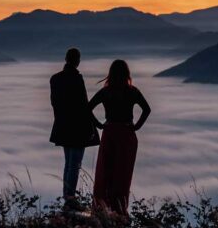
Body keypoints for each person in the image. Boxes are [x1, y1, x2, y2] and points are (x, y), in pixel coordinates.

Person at [89, 59, 151, 215]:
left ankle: (101, 208)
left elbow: (87, 108)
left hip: (109, 133)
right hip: (126, 135)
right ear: (126, 74)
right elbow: (147, 109)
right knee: (122, 174)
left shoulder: (105, 91)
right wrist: (136, 126)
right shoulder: (132, 91)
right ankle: (119, 210)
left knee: (105, 172)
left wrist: (98, 124)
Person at [49, 48, 99, 210]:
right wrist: (94, 125)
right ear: (77, 60)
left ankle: (67, 195)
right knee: (75, 164)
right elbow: (83, 105)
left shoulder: (55, 79)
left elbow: (55, 104)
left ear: (66, 59)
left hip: (62, 125)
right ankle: (70, 197)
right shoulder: (76, 79)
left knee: (68, 163)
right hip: (77, 127)